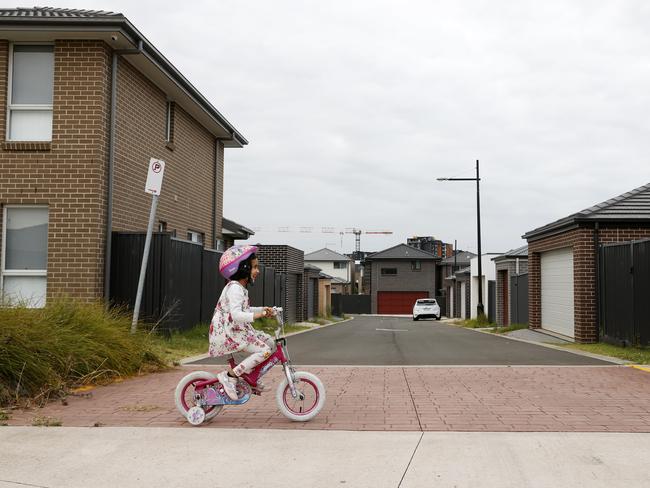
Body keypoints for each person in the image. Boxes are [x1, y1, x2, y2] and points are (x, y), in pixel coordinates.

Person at [209, 244, 276, 400]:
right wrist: (260, 315)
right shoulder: (235, 288)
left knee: (270, 342)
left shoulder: (239, 288)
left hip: (237, 330)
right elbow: (237, 315)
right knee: (264, 350)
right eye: (254, 267)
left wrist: (262, 309)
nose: (257, 271)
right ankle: (230, 376)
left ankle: (251, 378)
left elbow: (245, 309)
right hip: (229, 332)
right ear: (244, 268)